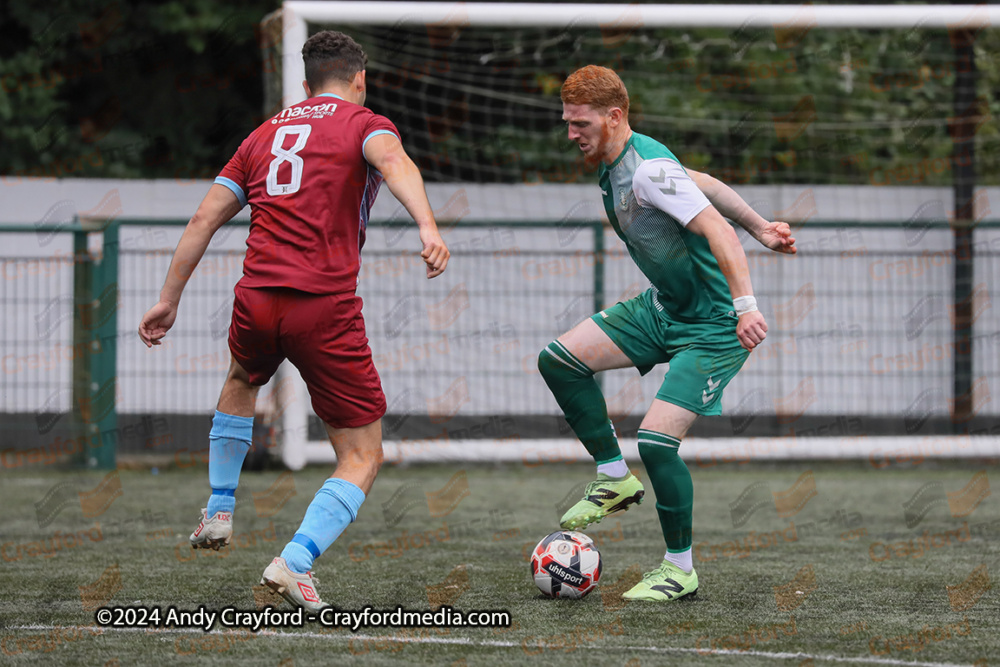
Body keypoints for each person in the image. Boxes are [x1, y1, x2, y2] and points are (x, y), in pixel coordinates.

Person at [138, 31, 449, 611]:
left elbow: (205, 218)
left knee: (239, 380)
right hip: (323, 306)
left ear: (305, 85)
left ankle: (220, 508)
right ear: (360, 79)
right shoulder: (365, 122)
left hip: (255, 299)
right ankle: (295, 561)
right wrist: (428, 227)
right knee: (362, 455)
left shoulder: (261, 135)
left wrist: (168, 299)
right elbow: (395, 162)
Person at [541, 65, 795, 602]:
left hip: (713, 327)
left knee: (657, 443)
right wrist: (763, 225)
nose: (570, 134)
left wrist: (745, 305)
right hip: (664, 309)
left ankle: (680, 569)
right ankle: (613, 476)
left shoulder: (647, 170)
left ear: (614, 117)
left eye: (580, 123)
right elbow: (704, 184)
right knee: (559, 359)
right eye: (566, 122)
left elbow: (714, 229)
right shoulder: (624, 161)